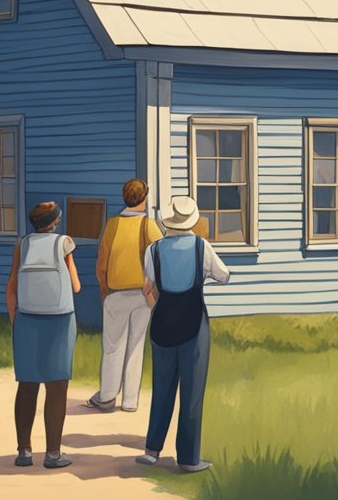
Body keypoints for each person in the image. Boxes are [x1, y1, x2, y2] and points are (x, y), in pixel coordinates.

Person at [137, 196, 231, 473]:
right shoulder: (202, 247)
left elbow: (149, 286)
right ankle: (189, 458)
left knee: (162, 389)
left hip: (163, 322)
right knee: (191, 393)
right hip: (193, 323)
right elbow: (224, 275)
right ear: (192, 221)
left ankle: (152, 450)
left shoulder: (152, 250)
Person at [6, 202, 81, 470]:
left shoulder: (22, 244)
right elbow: (75, 284)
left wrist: (16, 319)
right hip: (59, 320)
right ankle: (53, 453)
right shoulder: (64, 243)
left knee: (27, 385)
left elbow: (11, 285)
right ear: (55, 221)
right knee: (57, 386)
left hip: (27, 319)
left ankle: (24, 451)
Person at [87, 179, 162, 413]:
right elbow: (160, 261)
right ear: (145, 198)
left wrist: (103, 292)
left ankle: (107, 396)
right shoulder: (149, 226)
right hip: (143, 294)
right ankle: (130, 401)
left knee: (112, 346)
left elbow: (102, 264)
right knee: (136, 345)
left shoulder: (112, 225)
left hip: (115, 293)